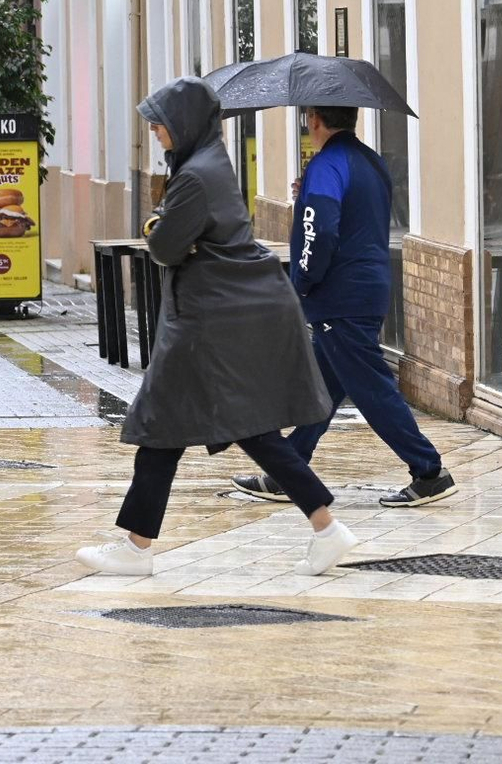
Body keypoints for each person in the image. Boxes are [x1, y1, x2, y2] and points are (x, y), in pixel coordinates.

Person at [76, 78, 358, 578]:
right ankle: (326, 526)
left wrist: (158, 228)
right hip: (217, 315)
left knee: (164, 424)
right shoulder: (206, 166)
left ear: (184, 123)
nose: (156, 131)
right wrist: (167, 230)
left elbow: (162, 247)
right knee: (242, 428)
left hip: (208, 323)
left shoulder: (195, 178)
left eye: (161, 122)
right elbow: (175, 239)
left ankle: (137, 550)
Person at [233, 106, 458, 508]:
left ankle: (429, 471)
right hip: (367, 287)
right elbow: (353, 215)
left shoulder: (327, 165)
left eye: (307, 118)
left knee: (372, 389)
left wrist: (303, 281)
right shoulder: (369, 161)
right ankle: (288, 471)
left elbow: (320, 231)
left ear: (315, 120)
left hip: (340, 297)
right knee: (323, 387)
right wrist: (308, 194)